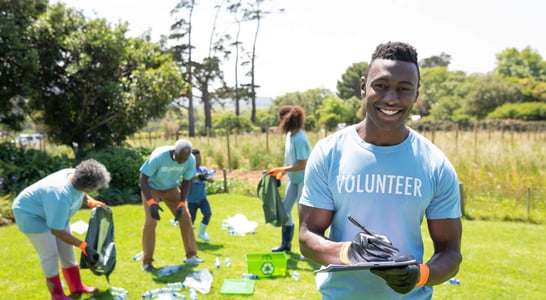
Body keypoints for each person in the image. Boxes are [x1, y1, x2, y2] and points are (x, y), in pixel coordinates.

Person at [298, 41, 463, 299]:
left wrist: (420, 275)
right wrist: (349, 252)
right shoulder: (329, 152)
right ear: (363, 86)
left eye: (404, 89)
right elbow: (308, 237)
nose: (390, 98)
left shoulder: (435, 164)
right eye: (381, 86)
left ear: (416, 94)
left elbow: (451, 252)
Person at [12, 159, 111, 300]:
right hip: (30, 214)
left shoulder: (74, 174)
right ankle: (57, 294)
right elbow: (56, 231)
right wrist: (83, 245)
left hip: (52, 209)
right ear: (88, 186)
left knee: (67, 251)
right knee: (49, 255)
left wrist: (89, 201)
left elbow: (80, 193)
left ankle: (76, 286)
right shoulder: (60, 195)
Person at [139, 139, 204, 272]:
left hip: (171, 188)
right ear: (174, 151)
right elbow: (143, 178)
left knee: (185, 217)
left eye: (184, 160)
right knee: (151, 222)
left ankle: (191, 256)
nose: (181, 162)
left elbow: (186, 181)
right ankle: (147, 262)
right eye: (179, 159)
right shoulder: (159, 157)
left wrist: (181, 203)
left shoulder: (190, 160)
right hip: (151, 187)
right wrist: (151, 202)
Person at [268, 105, 311, 252]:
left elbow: (303, 164)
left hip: (305, 179)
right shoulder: (290, 136)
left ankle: (307, 250)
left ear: (288, 120)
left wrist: (281, 169)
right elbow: (292, 161)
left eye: (281, 120)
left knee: (303, 215)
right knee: (285, 210)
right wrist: (283, 172)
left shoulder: (299, 138)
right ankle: (285, 245)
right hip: (294, 179)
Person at [187, 148, 214, 242]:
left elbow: (211, 180)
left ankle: (201, 233)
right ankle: (189, 237)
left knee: (208, 214)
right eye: (196, 160)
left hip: (202, 199)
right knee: (191, 220)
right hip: (191, 201)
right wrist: (199, 176)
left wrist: (207, 177)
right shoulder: (188, 170)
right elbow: (189, 178)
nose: (198, 162)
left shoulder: (203, 169)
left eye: (200, 159)